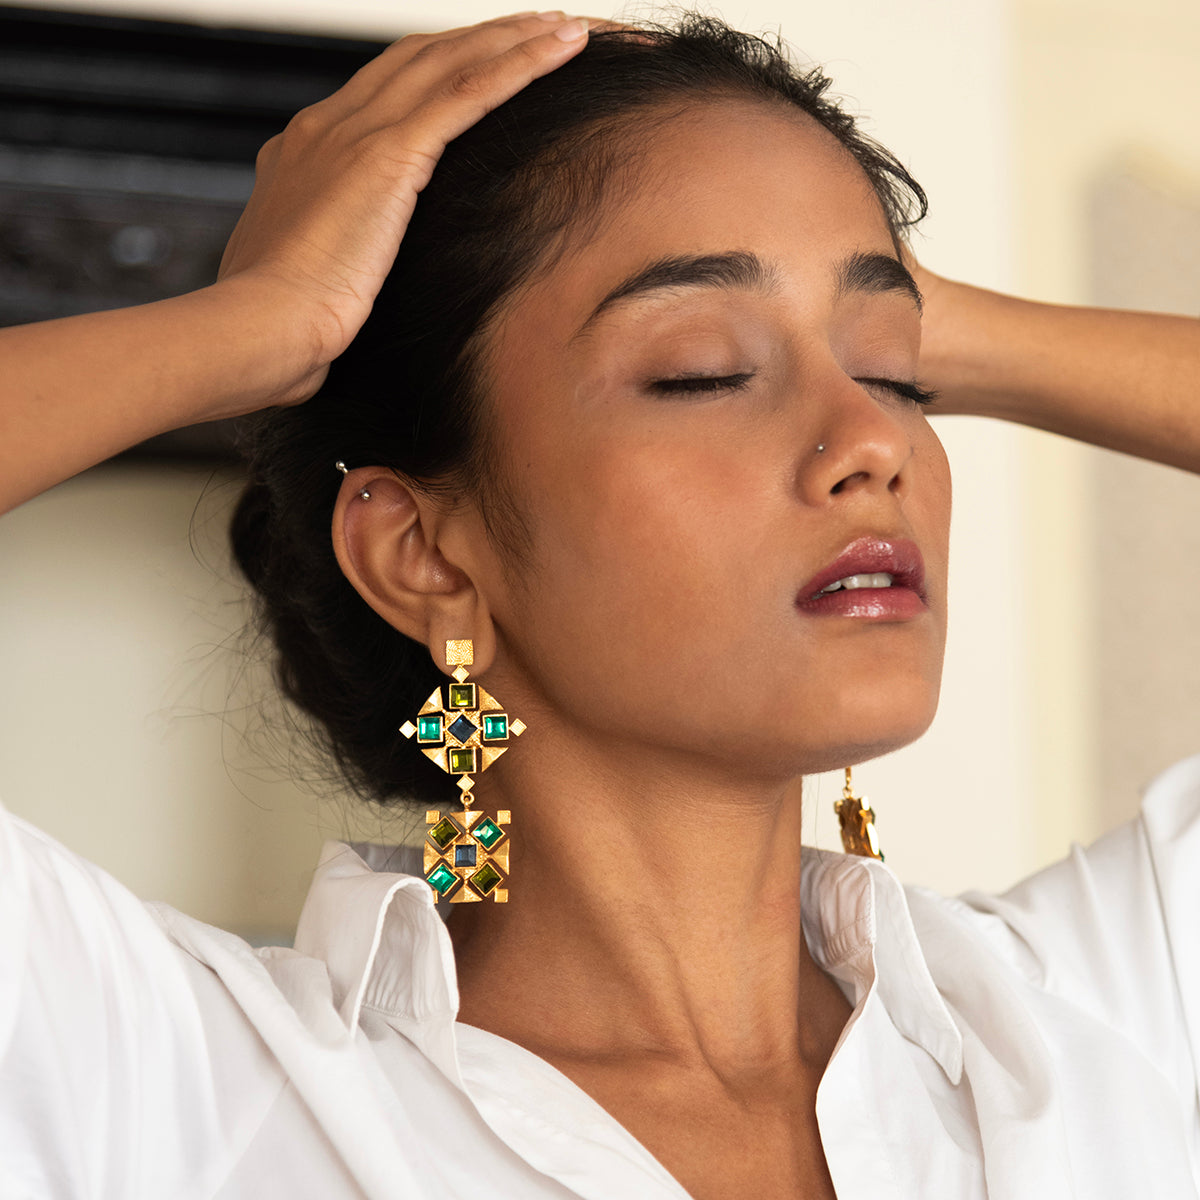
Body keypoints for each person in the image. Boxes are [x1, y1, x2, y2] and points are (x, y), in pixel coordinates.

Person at [2, 10, 1199, 1199]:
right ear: (423, 552)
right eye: (701, 372)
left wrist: (923, 313)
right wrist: (264, 326)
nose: (873, 438)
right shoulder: (170, 1088)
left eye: (891, 368)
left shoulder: (1093, 1023)